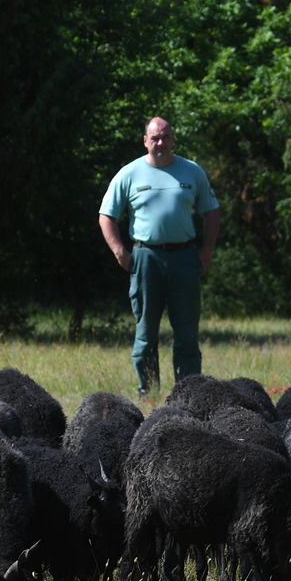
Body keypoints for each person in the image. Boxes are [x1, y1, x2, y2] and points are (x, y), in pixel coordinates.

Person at [98, 117, 220, 397]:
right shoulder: (129, 174)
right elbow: (107, 216)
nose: (160, 143)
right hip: (145, 259)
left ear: (173, 139)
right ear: (145, 141)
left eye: (165, 137)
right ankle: (149, 394)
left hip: (185, 258)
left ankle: (189, 395)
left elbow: (211, 211)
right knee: (145, 334)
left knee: (187, 333)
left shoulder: (192, 172)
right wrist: (119, 251)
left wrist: (207, 250)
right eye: (155, 138)